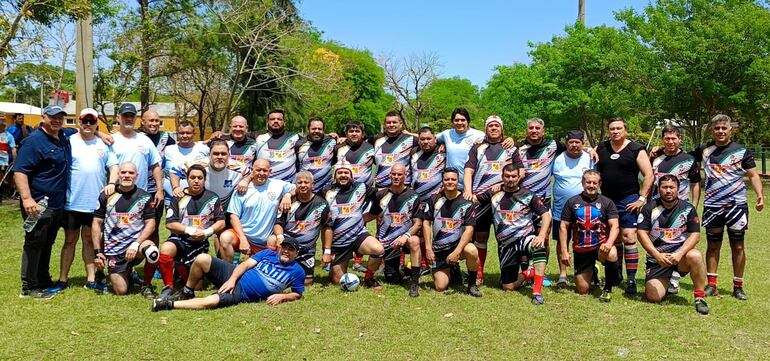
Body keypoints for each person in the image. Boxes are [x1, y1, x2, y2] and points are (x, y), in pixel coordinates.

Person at [692, 114, 764, 300]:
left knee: (738, 246)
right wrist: (658, 150)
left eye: (724, 128)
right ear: (712, 130)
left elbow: (753, 175)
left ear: (731, 129)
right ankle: (712, 285)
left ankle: (738, 286)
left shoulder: (741, 151)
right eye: (717, 128)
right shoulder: (704, 150)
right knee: (713, 245)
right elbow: (680, 155)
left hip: (737, 206)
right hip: (712, 205)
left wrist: (759, 195)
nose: (721, 131)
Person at [49, 108, 119, 294]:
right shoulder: (68, 141)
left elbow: (114, 166)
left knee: (89, 240)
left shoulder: (104, 145)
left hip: (94, 204)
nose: (88, 124)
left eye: (92, 121)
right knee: (70, 240)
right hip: (72, 202)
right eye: (84, 121)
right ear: (79, 122)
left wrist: (112, 183)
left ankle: (91, 278)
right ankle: (63, 279)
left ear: (96, 123)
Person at [13, 105, 71, 299]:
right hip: (37, 203)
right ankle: (29, 286)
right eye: (53, 117)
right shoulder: (33, 141)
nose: (57, 120)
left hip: (56, 204)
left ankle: (43, 279)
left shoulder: (62, 136)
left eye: (60, 117)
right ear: (43, 117)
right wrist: (27, 199)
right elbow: (20, 171)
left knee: (48, 242)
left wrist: (102, 134)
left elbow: (82, 130)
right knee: (34, 242)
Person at [152, 238, 305, 311]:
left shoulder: (297, 271)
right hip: (234, 274)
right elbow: (245, 264)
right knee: (202, 259)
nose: (286, 251)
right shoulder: (268, 254)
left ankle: (168, 304)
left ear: (296, 253)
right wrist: (232, 279)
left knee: (210, 301)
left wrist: (283, 296)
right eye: (284, 247)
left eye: (290, 249)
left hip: (243, 292)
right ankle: (187, 291)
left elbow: (298, 293)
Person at [474, 164, 552, 304]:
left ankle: (537, 292)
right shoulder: (494, 193)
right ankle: (528, 273)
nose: (511, 179)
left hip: (525, 238)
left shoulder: (528, 195)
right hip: (506, 245)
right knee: (508, 287)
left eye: (514, 176)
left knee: (538, 247)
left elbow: (546, 215)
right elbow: (473, 199)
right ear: (502, 177)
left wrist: (541, 236)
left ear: (518, 177)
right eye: (507, 176)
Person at [110, 103, 164, 298]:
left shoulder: (144, 140)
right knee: (114, 234)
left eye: (131, 116)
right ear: (118, 117)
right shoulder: (111, 139)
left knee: (149, 232)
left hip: (140, 198)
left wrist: (159, 189)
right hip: (116, 198)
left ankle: (148, 272)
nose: (128, 119)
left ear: (136, 118)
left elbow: (156, 166)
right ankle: (111, 269)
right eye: (125, 116)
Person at [595, 117, 654, 295]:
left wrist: (641, 199)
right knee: (614, 238)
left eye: (619, 128)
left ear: (625, 130)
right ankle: (616, 275)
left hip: (629, 199)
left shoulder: (636, 149)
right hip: (606, 200)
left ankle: (631, 279)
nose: (615, 131)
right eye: (612, 129)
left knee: (629, 237)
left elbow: (649, 175)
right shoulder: (602, 148)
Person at [463, 115, 523, 285]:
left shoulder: (511, 147)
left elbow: (521, 172)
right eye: (490, 126)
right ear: (486, 129)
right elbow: (468, 170)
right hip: (480, 200)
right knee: (480, 236)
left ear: (502, 129)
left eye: (497, 125)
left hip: (504, 199)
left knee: (506, 236)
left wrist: (504, 185)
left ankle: (509, 272)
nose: (494, 128)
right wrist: (468, 191)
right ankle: (479, 273)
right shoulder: (478, 147)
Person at [637, 175, 709, 315]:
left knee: (695, 255)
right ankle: (669, 280)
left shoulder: (688, 208)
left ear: (678, 189)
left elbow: (695, 236)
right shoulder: (649, 208)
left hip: (680, 257)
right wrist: (657, 255)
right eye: (664, 187)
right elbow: (641, 234)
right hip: (658, 259)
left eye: (671, 187)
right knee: (654, 297)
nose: (668, 190)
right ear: (659, 189)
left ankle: (700, 297)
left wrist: (680, 253)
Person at [158, 165, 225, 300]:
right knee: (166, 248)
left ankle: (180, 267)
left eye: (200, 178)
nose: (196, 181)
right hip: (180, 240)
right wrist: (190, 230)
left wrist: (205, 233)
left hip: (199, 244)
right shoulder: (178, 197)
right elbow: (170, 223)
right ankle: (168, 288)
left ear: (204, 180)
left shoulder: (212, 198)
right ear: (187, 179)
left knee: (198, 286)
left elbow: (221, 222)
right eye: (192, 177)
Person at [91, 162, 159, 296]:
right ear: (118, 174)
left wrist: (135, 244)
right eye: (123, 172)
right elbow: (96, 223)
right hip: (114, 249)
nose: (127, 176)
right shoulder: (106, 195)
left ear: (136, 176)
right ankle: (117, 273)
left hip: (136, 246)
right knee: (121, 291)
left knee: (152, 251)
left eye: (131, 173)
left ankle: (146, 285)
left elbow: (151, 223)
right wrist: (98, 252)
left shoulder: (145, 197)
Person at [418, 168, 481, 297]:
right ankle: (453, 270)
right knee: (440, 287)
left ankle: (472, 284)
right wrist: (428, 248)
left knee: (472, 250)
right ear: (442, 181)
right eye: (447, 179)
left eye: (453, 179)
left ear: (458, 181)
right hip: (439, 249)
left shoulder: (466, 201)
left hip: (459, 248)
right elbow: (426, 223)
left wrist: (457, 252)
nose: (450, 182)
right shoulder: (434, 199)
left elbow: (469, 229)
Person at [558, 170, 621, 302]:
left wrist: (609, 243)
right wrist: (564, 251)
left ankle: (607, 289)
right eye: (588, 182)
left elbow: (615, 226)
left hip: (601, 246)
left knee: (611, 253)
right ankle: (594, 272)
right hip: (581, 249)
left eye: (594, 183)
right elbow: (564, 227)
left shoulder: (607, 202)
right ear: (582, 183)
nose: (591, 185)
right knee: (582, 289)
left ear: (599, 184)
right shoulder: (572, 202)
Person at [219, 159, 294, 263]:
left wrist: (288, 195)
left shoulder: (279, 185)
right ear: (252, 170)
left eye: (265, 170)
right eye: (258, 170)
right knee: (225, 237)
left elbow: (298, 188)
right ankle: (228, 271)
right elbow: (233, 216)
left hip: (265, 240)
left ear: (270, 171)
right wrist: (243, 238)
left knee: (274, 242)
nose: (261, 173)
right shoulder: (242, 189)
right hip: (243, 235)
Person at [321, 166, 385, 285]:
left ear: (351, 175)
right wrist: (326, 250)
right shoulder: (326, 190)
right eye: (339, 173)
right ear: (335, 176)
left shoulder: (361, 187)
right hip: (338, 241)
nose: (343, 175)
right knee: (337, 280)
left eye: (346, 172)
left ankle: (369, 278)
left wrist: (371, 215)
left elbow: (378, 197)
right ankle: (333, 267)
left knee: (378, 249)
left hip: (358, 235)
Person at [366, 164, 422, 297]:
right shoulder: (381, 195)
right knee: (393, 279)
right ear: (390, 175)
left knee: (414, 241)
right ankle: (405, 269)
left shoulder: (413, 196)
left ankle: (414, 283)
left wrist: (406, 235)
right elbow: (372, 215)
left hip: (405, 239)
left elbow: (418, 224)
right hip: (388, 242)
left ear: (405, 176)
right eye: (394, 174)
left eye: (399, 174)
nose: (396, 177)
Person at [551, 130, 594, 287]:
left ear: (583, 143)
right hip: (560, 209)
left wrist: (591, 150)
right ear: (566, 143)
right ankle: (563, 273)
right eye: (571, 142)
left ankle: (587, 270)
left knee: (585, 240)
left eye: (578, 142)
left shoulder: (590, 158)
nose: (574, 145)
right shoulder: (557, 159)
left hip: (585, 209)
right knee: (562, 240)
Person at [273, 171, 330, 286]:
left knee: (307, 282)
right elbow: (278, 224)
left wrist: (327, 251)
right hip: (288, 247)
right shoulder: (287, 203)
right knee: (271, 241)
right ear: (296, 184)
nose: (303, 185)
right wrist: (279, 237)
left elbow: (327, 228)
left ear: (312, 184)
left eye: (306, 182)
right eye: (299, 182)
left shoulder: (322, 204)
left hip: (307, 250)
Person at [370, 111, 417, 188]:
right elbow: (360, 143)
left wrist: (411, 133)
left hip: (403, 186)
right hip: (381, 187)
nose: (391, 125)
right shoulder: (376, 139)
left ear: (400, 124)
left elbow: (430, 139)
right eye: (388, 122)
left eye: (394, 122)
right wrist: (344, 140)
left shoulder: (410, 139)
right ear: (384, 125)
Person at [165, 120, 210, 199]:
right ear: (177, 134)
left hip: (198, 197)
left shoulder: (204, 149)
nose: (185, 135)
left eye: (188, 133)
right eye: (181, 133)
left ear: (194, 134)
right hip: (172, 197)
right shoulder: (168, 150)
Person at [253, 110, 300, 183]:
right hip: (264, 184)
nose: (275, 121)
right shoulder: (258, 136)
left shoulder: (294, 137)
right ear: (267, 122)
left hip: (288, 185)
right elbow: (237, 135)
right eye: (272, 119)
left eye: (279, 119)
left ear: (284, 122)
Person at [296, 117, 337, 194]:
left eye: (319, 129)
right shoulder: (299, 144)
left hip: (326, 189)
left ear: (323, 130)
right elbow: (295, 165)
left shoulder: (331, 141)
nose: (317, 131)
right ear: (308, 129)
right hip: (304, 189)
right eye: (314, 129)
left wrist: (343, 139)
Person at [333, 120, 375, 186]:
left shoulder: (371, 147)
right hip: (345, 191)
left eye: (357, 131)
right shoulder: (338, 148)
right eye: (351, 131)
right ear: (346, 134)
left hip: (366, 191)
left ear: (363, 134)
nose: (354, 134)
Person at [411, 126, 446, 204]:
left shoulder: (443, 151)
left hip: (436, 199)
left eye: (429, 139)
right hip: (416, 199)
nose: (425, 141)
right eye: (422, 139)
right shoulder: (414, 152)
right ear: (419, 140)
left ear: (435, 138)